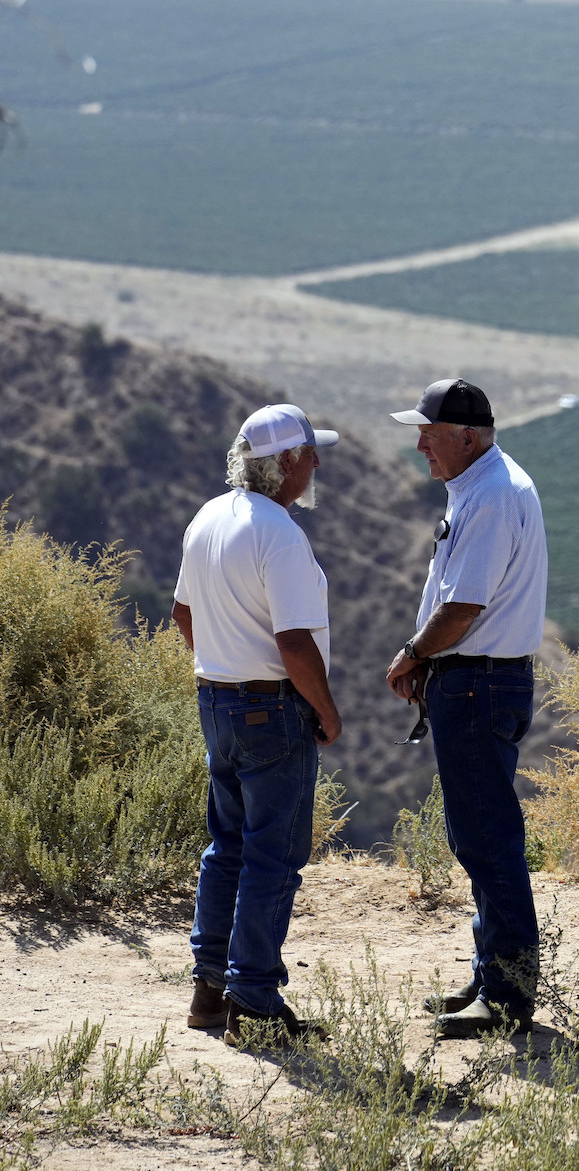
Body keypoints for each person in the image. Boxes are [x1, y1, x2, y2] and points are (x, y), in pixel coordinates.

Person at [173, 403, 344, 1046]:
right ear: (288, 463)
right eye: (310, 453)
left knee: (229, 846)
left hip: (215, 700)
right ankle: (257, 1000)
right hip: (271, 707)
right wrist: (325, 710)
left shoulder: (208, 518)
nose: (318, 463)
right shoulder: (280, 533)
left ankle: (209, 990)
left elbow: (182, 613)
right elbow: (295, 642)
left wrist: (223, 662)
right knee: (275, 853)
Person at [384, 378, 549, 1037]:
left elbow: (463, 607)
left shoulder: (489, 496)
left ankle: (506, 998)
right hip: (482, 684)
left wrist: (413, 654)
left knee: (488, 839)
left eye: (429, 431)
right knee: (480, 836)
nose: (420, 442)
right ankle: (491, 981)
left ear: (468, 437)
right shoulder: (489, 487)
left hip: (478, 686)